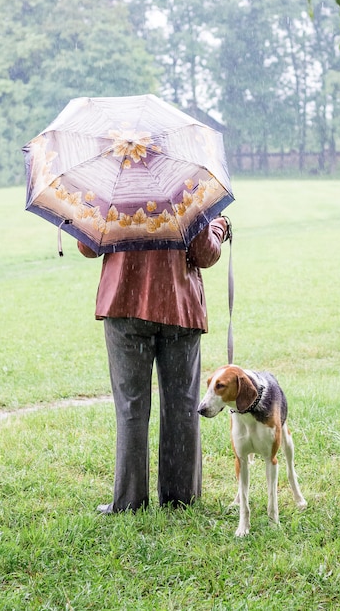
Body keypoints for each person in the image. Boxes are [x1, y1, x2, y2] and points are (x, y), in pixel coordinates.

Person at [77, 216, 230, 513]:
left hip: (123, 304)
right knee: (182, 406)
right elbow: (204, 254)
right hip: (179, 305)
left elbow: (87, 246)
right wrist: (218, 227)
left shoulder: (113, 188)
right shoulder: (185, 185)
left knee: (131, 407)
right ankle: (180, 498)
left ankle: (129, 502)